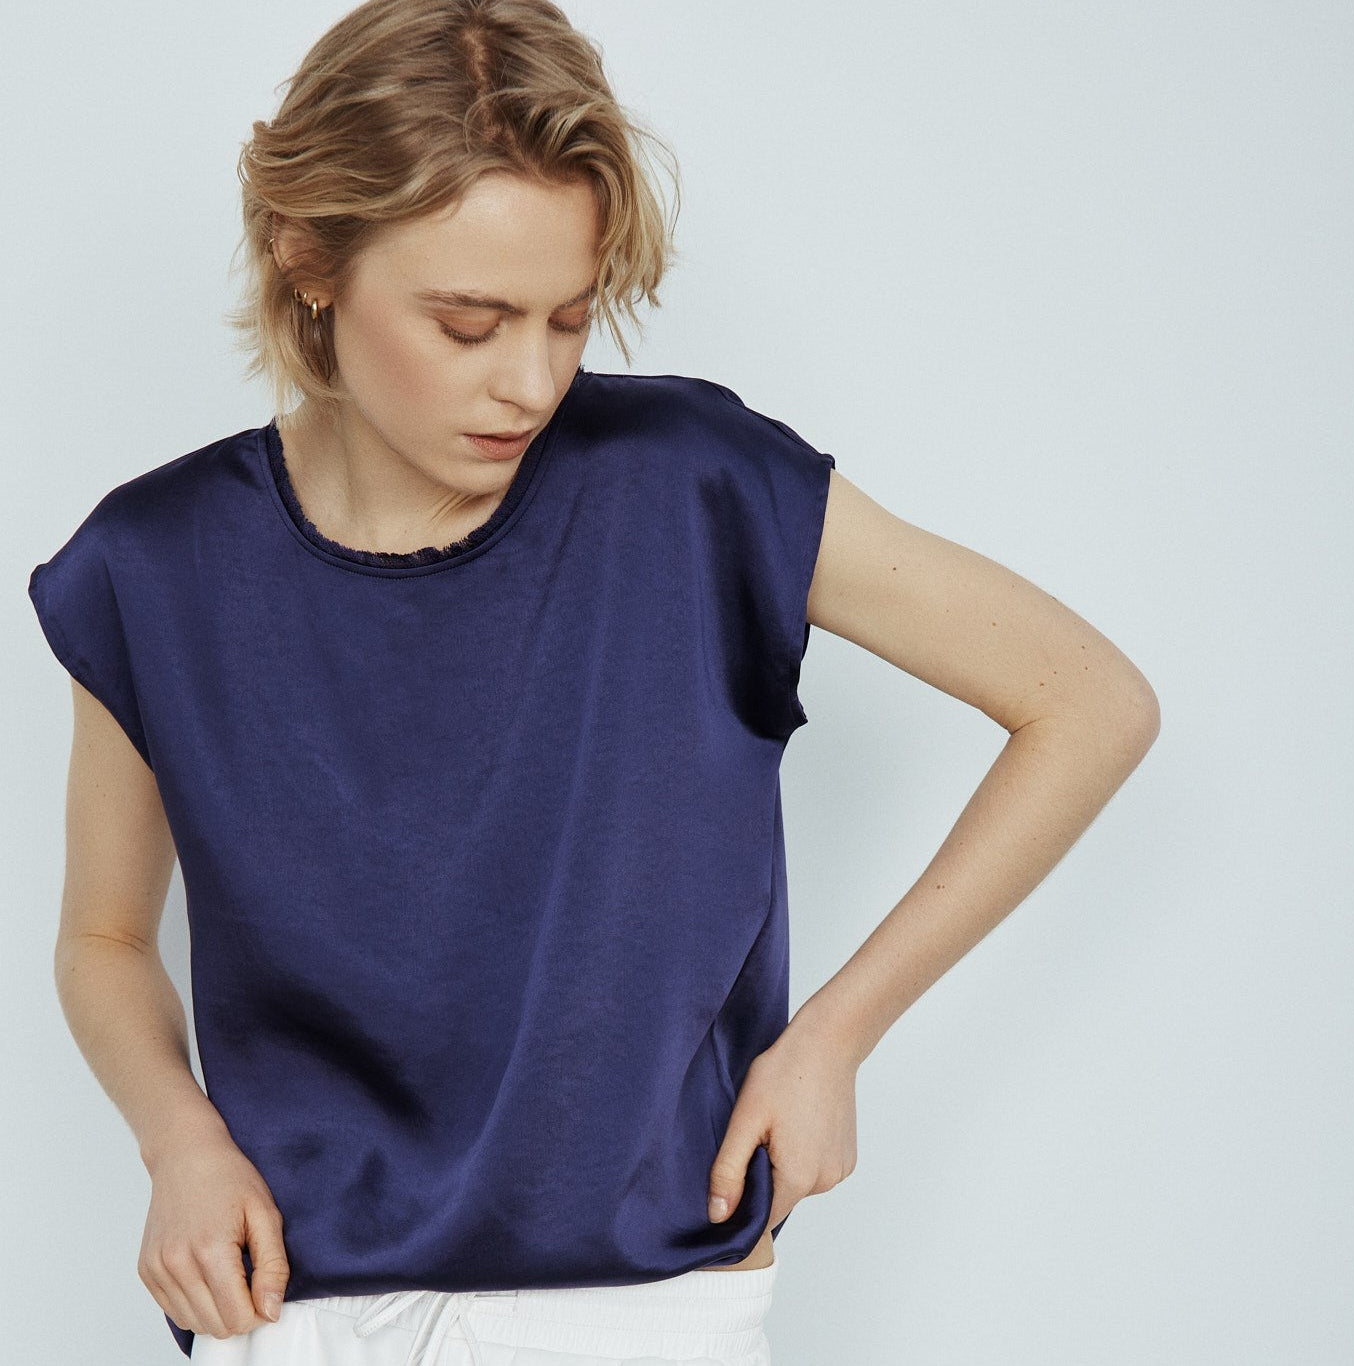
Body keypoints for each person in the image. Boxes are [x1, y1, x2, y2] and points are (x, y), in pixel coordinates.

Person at [26, 1, 1161, 1363]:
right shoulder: (153, 565)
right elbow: (104, 935)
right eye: (469, 323)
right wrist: (178, 1142)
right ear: (307, 255)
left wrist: (834, 1037)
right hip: (291, 1306)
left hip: (644, 1302)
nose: (531, 382)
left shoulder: (693, 485)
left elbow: (1086, 702)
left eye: (567, 319)